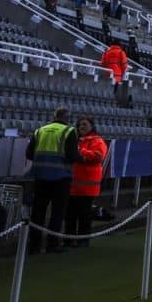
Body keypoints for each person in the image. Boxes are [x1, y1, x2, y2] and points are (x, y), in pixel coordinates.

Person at [26, 107, 76, 253]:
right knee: (57, 212)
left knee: (37, 212)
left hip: (40, 176)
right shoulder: (69, 131)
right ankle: (52, 244)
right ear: (67, 118)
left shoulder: (40, 130)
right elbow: (72, 155)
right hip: (61, 177)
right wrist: (81, 158)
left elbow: (29, 153)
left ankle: (34, 245)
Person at [67, 117, 108, 249]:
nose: (81, 127)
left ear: (92, 126)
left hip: (88, 187)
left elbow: (97, 157)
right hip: (72, 186)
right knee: (70, 216)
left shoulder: (97, 141)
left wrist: (79, 152)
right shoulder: (74, 141)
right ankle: (69, 240)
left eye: (84, 124)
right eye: (79, 125)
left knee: (84, 215)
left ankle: (83, 241)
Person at [100, 39, 130, 106]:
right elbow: (124, 64)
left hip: (108, 74)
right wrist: (122, 73)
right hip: (117, 75)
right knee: (114, 90)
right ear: (119, 45)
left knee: (107, 89)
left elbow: (103, 63)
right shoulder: (121, 52)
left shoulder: (107, 52)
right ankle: (111, 103)